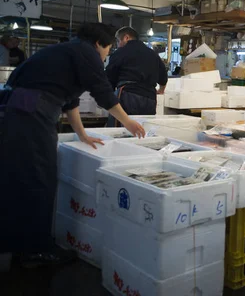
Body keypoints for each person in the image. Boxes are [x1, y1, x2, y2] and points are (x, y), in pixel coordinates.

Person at [0, 23, 145, 269]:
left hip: (19, 112)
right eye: (108, 50)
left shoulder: (69, 52)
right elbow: (103, 92)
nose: (106, 55)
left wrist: (82, 135)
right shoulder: (86, 53)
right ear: (100, 43)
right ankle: (35, 250)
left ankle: (22, 245)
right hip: (30, 114)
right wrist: (128, 121)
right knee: (38, 178)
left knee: (23, 177)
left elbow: (70, 101)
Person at [105, 27, 168, 126]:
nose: (118, 45)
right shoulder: (153, 54)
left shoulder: (120, 53)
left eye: (118, 41)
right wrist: (161, 90)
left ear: (126, 37)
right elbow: (163, 78)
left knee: (121, 130)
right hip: (150, 98)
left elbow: (110, 77)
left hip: (128, 94)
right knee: (143, 129)